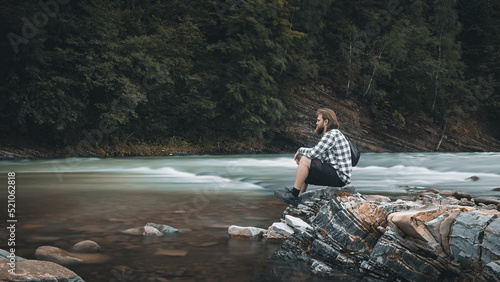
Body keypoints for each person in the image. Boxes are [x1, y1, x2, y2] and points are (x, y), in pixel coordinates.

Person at [274, 108, 352, 205]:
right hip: (338, 175)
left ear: (326, 122)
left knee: (306, 159)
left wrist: (300, 150)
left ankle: (293, 195)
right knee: (306, 164)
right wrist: (303, 164)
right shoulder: (334, 134)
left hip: (340, 176)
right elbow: (320, 157)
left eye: (318, 120)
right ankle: (298, 199)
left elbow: (313, 153)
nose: (316, 123)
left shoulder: (331, 135)